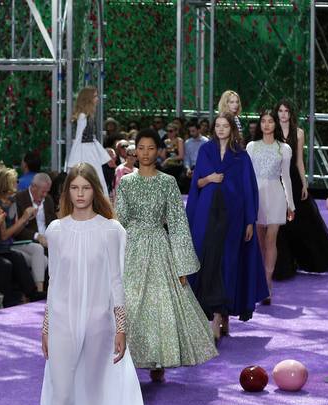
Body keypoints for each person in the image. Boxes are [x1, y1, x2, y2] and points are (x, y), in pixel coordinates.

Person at [34, 162, 149, 405]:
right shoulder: (56, 230)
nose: (80, 194)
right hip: (63, 320)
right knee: (61, 398)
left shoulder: (111, 230)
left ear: (95, 191)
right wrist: (46, 325)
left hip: (100, 323)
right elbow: (54, 281)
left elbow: (117, 280)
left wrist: (121, 327)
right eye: (74, 188)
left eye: (86, 188)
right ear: (67, 192)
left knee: (92, 399)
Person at [115, 130, 217, 383]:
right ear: (134, 151)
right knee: (131, 302)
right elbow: (120, 221)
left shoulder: (168, 182)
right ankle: (129, 356)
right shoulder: (126, 182)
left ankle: (157, 359)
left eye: (151, 148)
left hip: (160, 248)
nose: (145, 153)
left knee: (159, 303)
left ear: (159, 151)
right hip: (132, 248)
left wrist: (182, 265)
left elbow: (178, 223)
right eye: (141, 148)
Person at [186, 113, 269, 339]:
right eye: (218, 126)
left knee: (228, 262)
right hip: (207, 213)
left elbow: (249, 190)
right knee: (209, 260)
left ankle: (223, 314)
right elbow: (197, 183)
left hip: (233, 216)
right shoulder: (206, 150)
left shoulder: (241, 156)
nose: (221, 129)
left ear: (232, 129)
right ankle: (215, 315)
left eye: (225, 126)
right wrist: (210, 178)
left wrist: (250, 221)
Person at [272, 99, 328, 280]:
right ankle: (283, 264)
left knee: (303, 221)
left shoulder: (298, 133)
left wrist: (304, 183)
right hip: (276, 179)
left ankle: (309, 260)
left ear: (291, 113)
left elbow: (299, 160)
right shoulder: (271, 130)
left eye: (286, 111)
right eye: (280, 111)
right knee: (279, 223)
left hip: (293, 180)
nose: (283, 114)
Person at [246, 110, 295, 302]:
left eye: (270, 121)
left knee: (271, 239)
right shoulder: (251, 147)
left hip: (276, 195)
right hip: (256, 195)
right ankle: (260, 281)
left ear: (276, 124)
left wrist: (291, 204)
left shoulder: (284, 148)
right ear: (260, 124)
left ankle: (267, 283)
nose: (266, 125)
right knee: (259, 241)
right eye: (263, 121)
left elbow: (286, 177)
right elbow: (247, 175)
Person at [0, 168, 48, 294]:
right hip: (1, 246)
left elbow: (15, 231)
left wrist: (26, 220)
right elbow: (3, 236)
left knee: (40, 254)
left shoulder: (12, 201)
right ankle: (33, 293)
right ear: (7, 183)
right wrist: (24, 218)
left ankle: (38, 291)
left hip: (12, 243)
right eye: (15, 181)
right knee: (40, 259)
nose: (17, 184)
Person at [66, 87, 110, 197]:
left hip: (90, 151)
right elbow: (78, 138)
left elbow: (91, 138)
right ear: (88, 99)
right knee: (93, 178)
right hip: (85, 153)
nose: (97, 99)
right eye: (95, 96)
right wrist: (72, 161)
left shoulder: (88, 116)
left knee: (96, 178)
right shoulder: (83, 117)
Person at [15, 173, 56, 247]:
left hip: (49, 241)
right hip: (29, 242)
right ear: (33, 187)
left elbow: (53, 221)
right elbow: (17, 229)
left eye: (47, 191)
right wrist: (37, 236)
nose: (45, 195)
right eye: (43, 191)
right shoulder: (19, 199)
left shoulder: (48, 200)